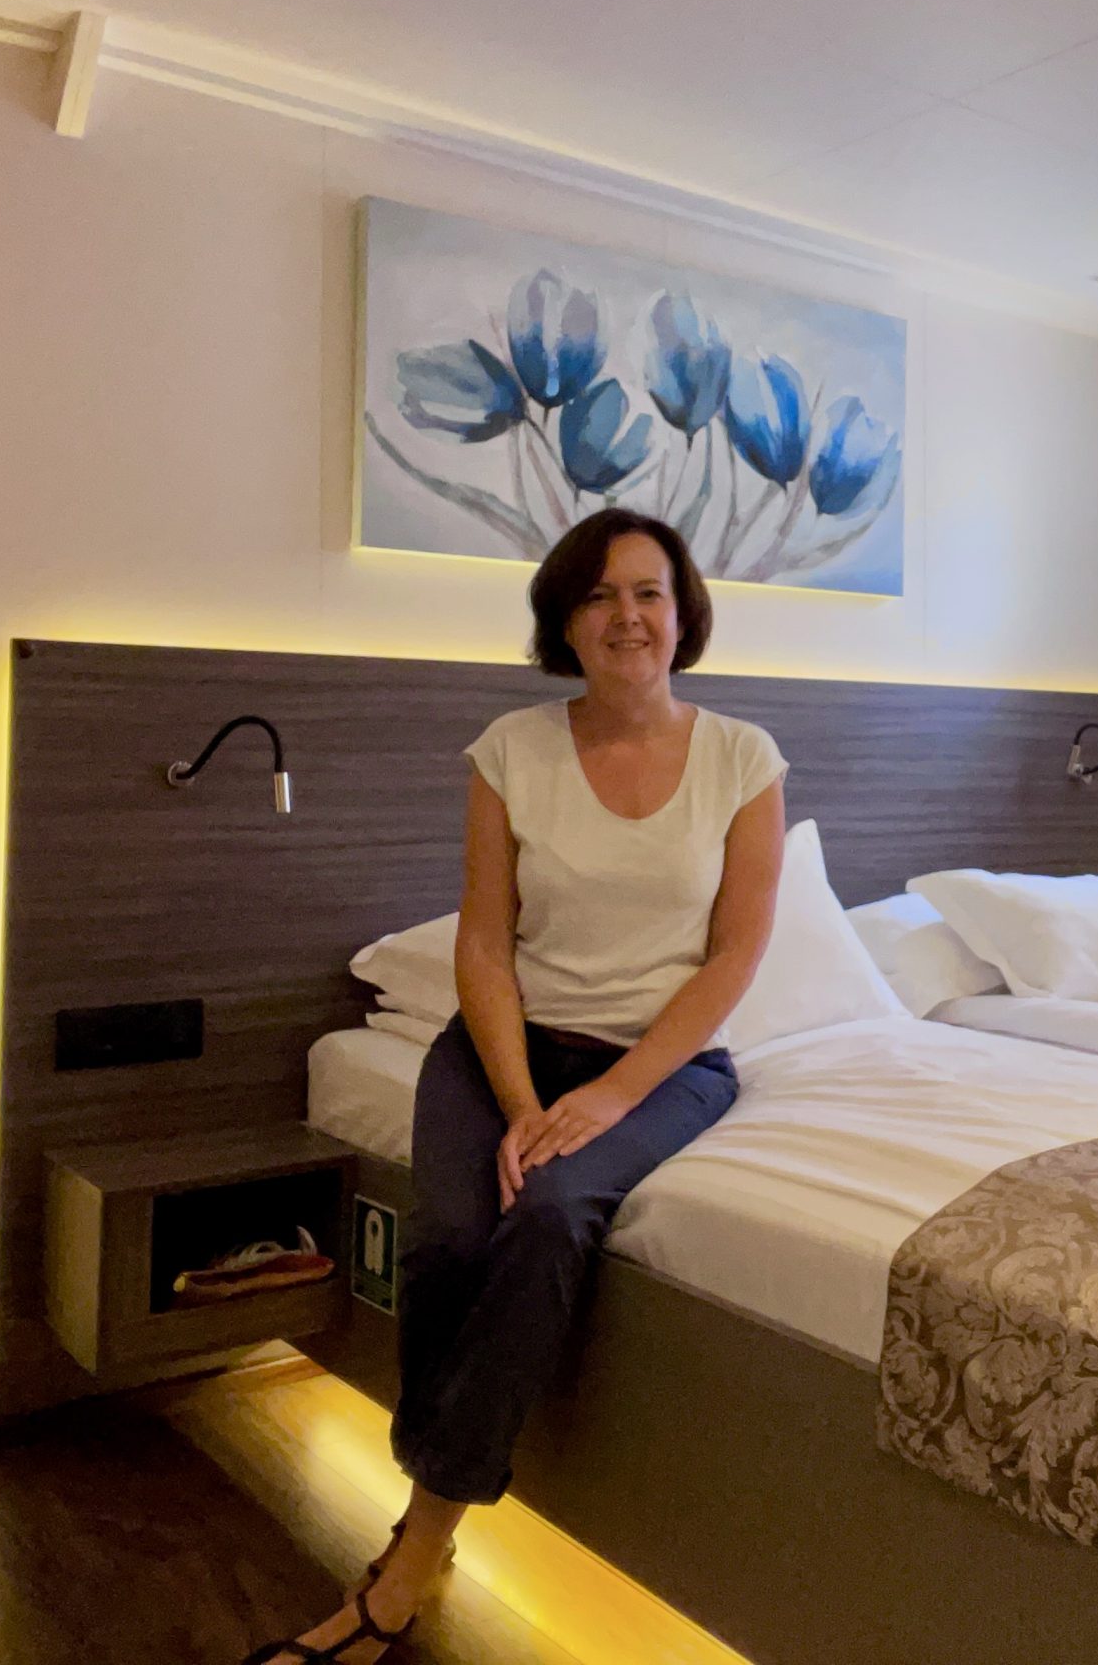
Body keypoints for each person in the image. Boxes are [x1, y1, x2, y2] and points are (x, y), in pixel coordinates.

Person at [247, 510, 785, 1664]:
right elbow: (484, 944)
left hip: (665, 1065)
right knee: (450, 1234)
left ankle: (410, 1559)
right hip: (504, 1047)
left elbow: (736, 955)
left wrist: (609, 1098)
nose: (627, 617)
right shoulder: (511, 750)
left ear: (683, 612)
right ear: (564, 621)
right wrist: (522, 1097)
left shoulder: (743, 758)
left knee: (546, 1214)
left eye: (648, 592)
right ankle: (428, 1489)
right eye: (598, 596)